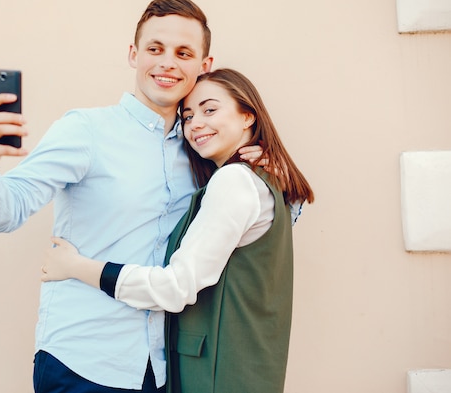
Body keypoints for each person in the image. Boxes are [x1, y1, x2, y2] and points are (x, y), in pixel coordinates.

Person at [40, 68, 315, 393]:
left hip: (217, 375)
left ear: (247, 117)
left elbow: (174, 288)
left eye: (210, 109)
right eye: (187, 116)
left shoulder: (234, 181)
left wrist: (78, 267)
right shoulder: (267, 181)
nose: (195, 122)